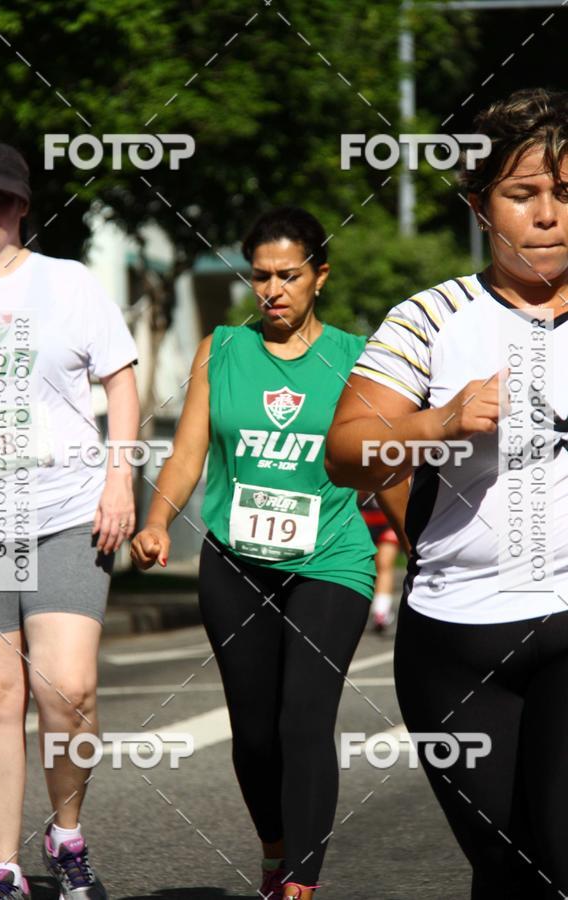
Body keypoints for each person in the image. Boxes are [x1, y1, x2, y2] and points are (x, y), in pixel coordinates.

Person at [325, 86, 568, 899]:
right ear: (479, 206)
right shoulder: (430, 318)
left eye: (565, 193)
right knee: (504, 871)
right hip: (457, 637)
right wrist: (439, 422)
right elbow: (347, 454)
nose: (547, 215)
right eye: (522, 193)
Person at [130, 207, 376, 900]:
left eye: (288, 275)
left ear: (320, 276)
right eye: (260, 276)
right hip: (237, 562)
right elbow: (188, 454)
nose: (272, 289)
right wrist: (156, 522)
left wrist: (425, 554)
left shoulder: (357, 358)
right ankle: (276, 851)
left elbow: (384, 467)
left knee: (304, 719)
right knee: (255, 734)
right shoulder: (223, 349)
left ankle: (301, 883)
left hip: (331, 560)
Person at [0, 142, 140, 900]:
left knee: (67, 690)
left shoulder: (67, 283)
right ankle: (5, 867)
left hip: (67, 510)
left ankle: (65, 834)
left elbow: (121, 382)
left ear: (23, 206)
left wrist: (121, 476)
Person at [357, 492, 401, 631]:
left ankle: (381, 611)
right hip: (363, 520)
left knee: (384, 565)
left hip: (388, 521)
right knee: (361, 567)